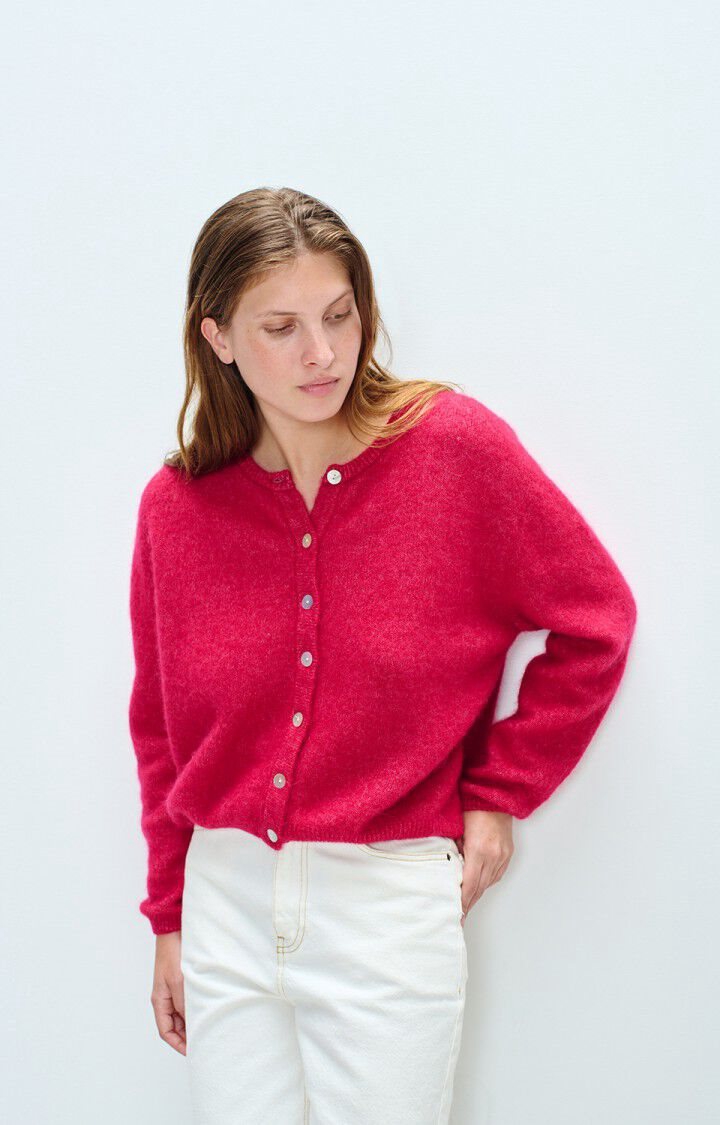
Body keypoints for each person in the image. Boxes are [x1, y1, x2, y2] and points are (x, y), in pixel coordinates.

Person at [127, 186, 638, 1124]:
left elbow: (596, 618)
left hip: (386, 905)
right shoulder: (178, 506)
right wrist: (169, 915)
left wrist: (500, 792)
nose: (322, 352)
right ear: (218, 337)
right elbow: (159, 728)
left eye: (339, 314)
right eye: (281, 327)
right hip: (224, 904)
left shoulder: (452, 452)